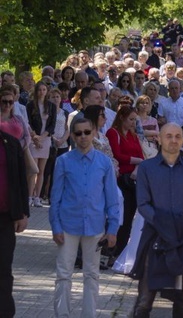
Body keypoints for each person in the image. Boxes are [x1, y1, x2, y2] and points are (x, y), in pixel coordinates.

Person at [130, 123, 183, 316]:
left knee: (182, 300)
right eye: (169, 136)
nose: (173, 140)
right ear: (160, 139)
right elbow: (143, 204)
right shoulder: (146, 168)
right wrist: (165, 226)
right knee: (144, 300)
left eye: (178, 136)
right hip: (154, 237)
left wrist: (180, 227)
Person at [50, 117, 119, 317]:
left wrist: (113, 228)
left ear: (93, 133)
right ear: (72, 135)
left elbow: (112, 199)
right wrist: (55, 226)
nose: (83, 137)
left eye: (87, 132)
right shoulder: (63, 161)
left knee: (92, 274)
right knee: (64, 274)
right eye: (78, 133)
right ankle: (62, 314)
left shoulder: (104, 162)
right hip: (67, 225)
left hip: (95, 225)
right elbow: (55, 197)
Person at [106, 106, 145, 257]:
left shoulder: (133, 135)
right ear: (121, 117)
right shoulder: (113, 133)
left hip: (133, 179)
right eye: (130, 119)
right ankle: (110, 250)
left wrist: (136, 168)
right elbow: (117, 154)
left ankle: (120, 251)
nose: (133, 123)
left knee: (129, 217)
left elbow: (141, 155)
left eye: (135, 120)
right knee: (119, 217)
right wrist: (136, 161)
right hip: (120, 179)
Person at [0, 118, 29, 317]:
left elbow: (20, 179)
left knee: (3, 269)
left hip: (5, 218)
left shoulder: (10, 143)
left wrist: (22, 213)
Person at [26, 82, 56, 207]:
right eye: (39, 90)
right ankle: (29, 196)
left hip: (45, 139)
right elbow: (28, 122)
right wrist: (35, 137)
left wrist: (42, 137)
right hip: (33, 139)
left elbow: (52, 125)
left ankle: (37, 196)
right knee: (33, 169)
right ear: (36, 91)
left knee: (42, 170)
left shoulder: (51, 106)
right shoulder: (30, 105)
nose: (42, 92)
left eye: (44, 90)